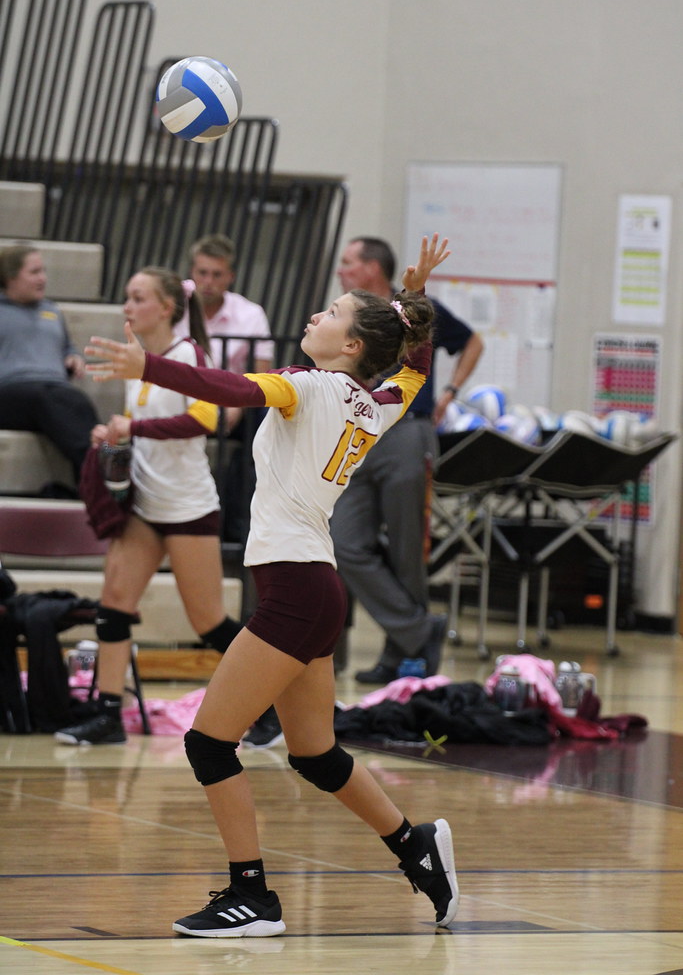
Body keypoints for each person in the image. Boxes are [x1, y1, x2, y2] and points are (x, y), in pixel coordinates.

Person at [83, 234, 459, 937]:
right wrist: (412, 303)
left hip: (293, 590)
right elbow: (410, 368)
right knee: (314, 754)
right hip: (316, 588)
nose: (317, 314)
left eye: (333, 311)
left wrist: (152, 365)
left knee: (209, 742)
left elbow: (227, 389)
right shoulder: (371, 404)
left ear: (349, 347)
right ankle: (415, 846)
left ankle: (251, 896)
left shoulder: (309, 387)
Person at [54, 267, 242, 746]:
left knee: (209, 622)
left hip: (187, 507)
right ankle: (108, 715)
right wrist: (113, 434)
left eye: (138, 298)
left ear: (166, 308)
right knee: (113, 607)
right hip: (143, 504)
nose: (127, 307)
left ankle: (270, 705)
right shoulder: (136, 359)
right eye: (126, 297)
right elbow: (137, 427)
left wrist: (132, 429)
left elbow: (205, 419)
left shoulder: (188, 355)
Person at [331, 235, 484, 685]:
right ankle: (419, 632)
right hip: (357, 435)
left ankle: (402, 655)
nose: (341, 270)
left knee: (405, 549)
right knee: (345, 544)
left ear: (373, 269)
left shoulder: (413, 309)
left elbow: (472, 343)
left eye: (349, 263)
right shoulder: (349, 311)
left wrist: (452, 390)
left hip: (405, 433)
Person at [174, 233, 274, 548]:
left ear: (230, 276)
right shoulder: (173, 305)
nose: (208, 282)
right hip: (178, 397)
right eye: (202, 273)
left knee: (265, 421)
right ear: (191, 271)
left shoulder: (251, 313)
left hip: (232, 402)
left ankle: (237, 527)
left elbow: (263, 372)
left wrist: (238, 405)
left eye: (217, 274)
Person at [0, 243, 100, 491]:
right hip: (11, 391)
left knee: (78, 401)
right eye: (34, 272)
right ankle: (97, 468)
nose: (43, 278)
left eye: (43, 271)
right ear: (10, 277)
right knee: (45, 397)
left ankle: (93, 474)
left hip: (54, 390)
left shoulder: (52, 311)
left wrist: (73, 357)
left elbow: (68, 348)